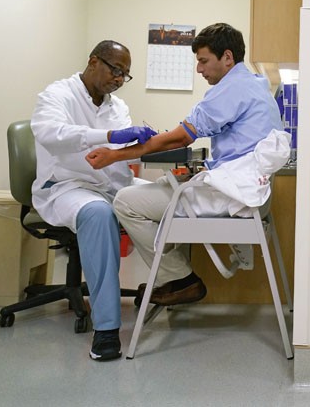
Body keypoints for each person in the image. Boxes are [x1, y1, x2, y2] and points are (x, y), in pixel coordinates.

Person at [85, 23, 290, 307]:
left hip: (231, 198)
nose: (199, 69)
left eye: (203, 61)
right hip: (250, 194)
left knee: (125, 202)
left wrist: (113, 155)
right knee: (152, 191)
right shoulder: (255, 84)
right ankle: (170, 275)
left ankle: (180, 279)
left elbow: (178, 139)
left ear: (227, 58)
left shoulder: (231, 89)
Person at [31, 40, 156, 362]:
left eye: (125, 75)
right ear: (93, 61)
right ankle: (107, 330)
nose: (118, 79)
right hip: (66, 187)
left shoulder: (117, 107)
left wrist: (140, 147)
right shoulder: (58, 95)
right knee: (99, 215)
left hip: (109, 184)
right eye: (116, 70)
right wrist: (111, 137)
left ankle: (174, 284)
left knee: (168, 196)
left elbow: (118, 162)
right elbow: (51, 133)